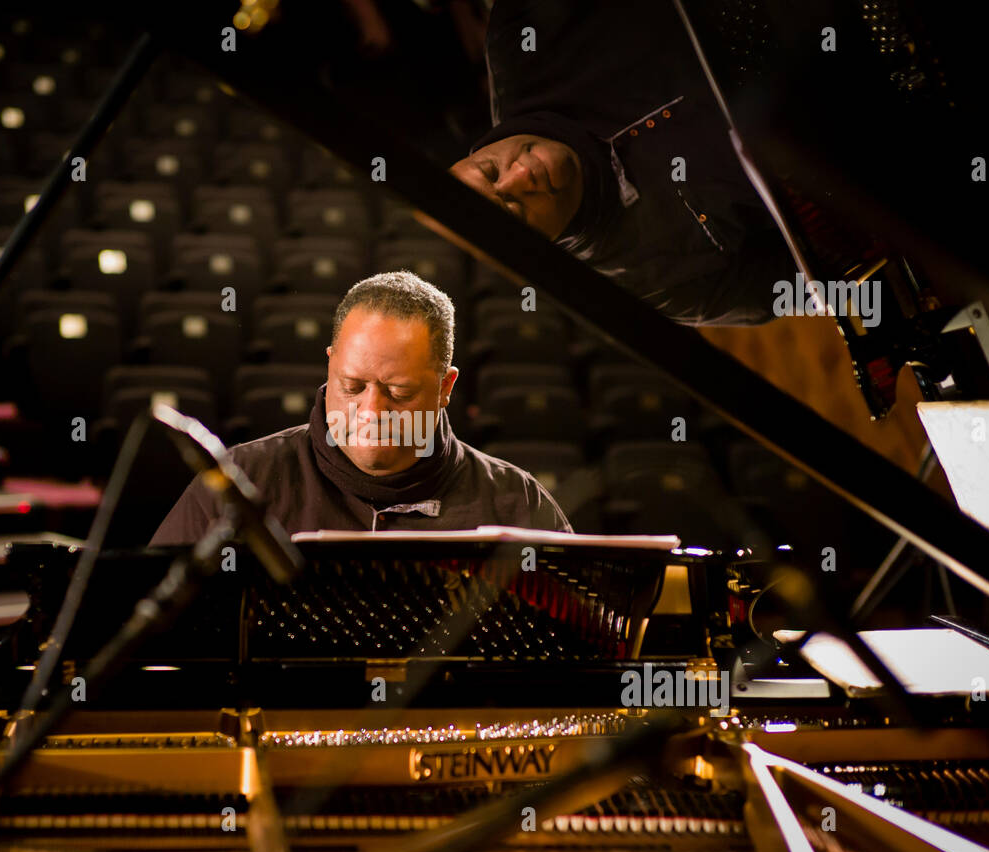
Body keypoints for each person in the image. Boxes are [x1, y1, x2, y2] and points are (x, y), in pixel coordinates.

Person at [150, 271, 571, 544]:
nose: (371, 411)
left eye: (399, 393)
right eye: (352, 386)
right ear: (330, 364)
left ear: (446, 387)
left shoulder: (519, 504)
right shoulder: (237, 483)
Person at [448, 0, 794, 326]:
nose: (521, 175)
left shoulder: (520, 36)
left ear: (474, 153)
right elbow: (806, 283)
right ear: (537, 251)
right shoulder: (653, 289)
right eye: (514, 210)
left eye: (490, 170)